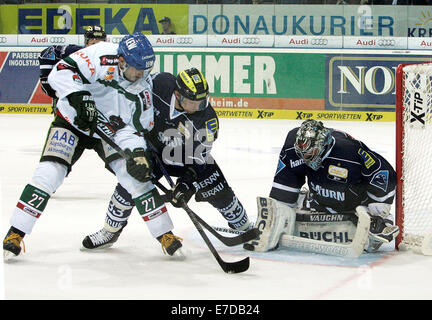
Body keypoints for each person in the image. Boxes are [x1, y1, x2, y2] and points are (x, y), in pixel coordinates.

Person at [3, 33, 182, 261]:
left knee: (136, 178)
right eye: (137, 68)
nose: (140, 75)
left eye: (145, 69)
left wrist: (137, 153)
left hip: (107, 132)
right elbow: (60, 71)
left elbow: (133, 129)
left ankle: (164, 234)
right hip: (71, 121)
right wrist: (80, 97)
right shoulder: (100, 54)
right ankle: (16, 233)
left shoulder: (143, 89)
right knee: (49, 173)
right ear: (122, 61)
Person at [81, 67, 253, 250]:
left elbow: (199, 160)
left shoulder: (207, 120)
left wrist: (186, 185)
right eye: (192, 102)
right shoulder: (160, 84)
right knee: (127, 186)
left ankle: (246, 229)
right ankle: (110, 232)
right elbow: (132, 97)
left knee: (220, 192)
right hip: (153, 153)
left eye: (202, 102)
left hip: (187, 160)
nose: (197, 107)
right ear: (177, 94)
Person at [246, 119, 399, 253]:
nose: (306, 159)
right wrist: (276, 219)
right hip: (319, 201)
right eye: (303, 155)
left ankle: (379, 220)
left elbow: (384, 173)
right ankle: (311, 201)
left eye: (310, 154)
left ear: (323, 145)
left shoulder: (350, 151)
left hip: (355, 203)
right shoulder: (294, 147)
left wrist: (377, 211)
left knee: (370, 244)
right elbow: (283, 189)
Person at [38, 25, 107, 114]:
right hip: (73, 99)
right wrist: (46, 77)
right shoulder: (75, 52)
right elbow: (47, 53)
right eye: (93, 43)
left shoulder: (111, 58)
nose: (97, 47)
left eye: (100, 43)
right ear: (86, 43)